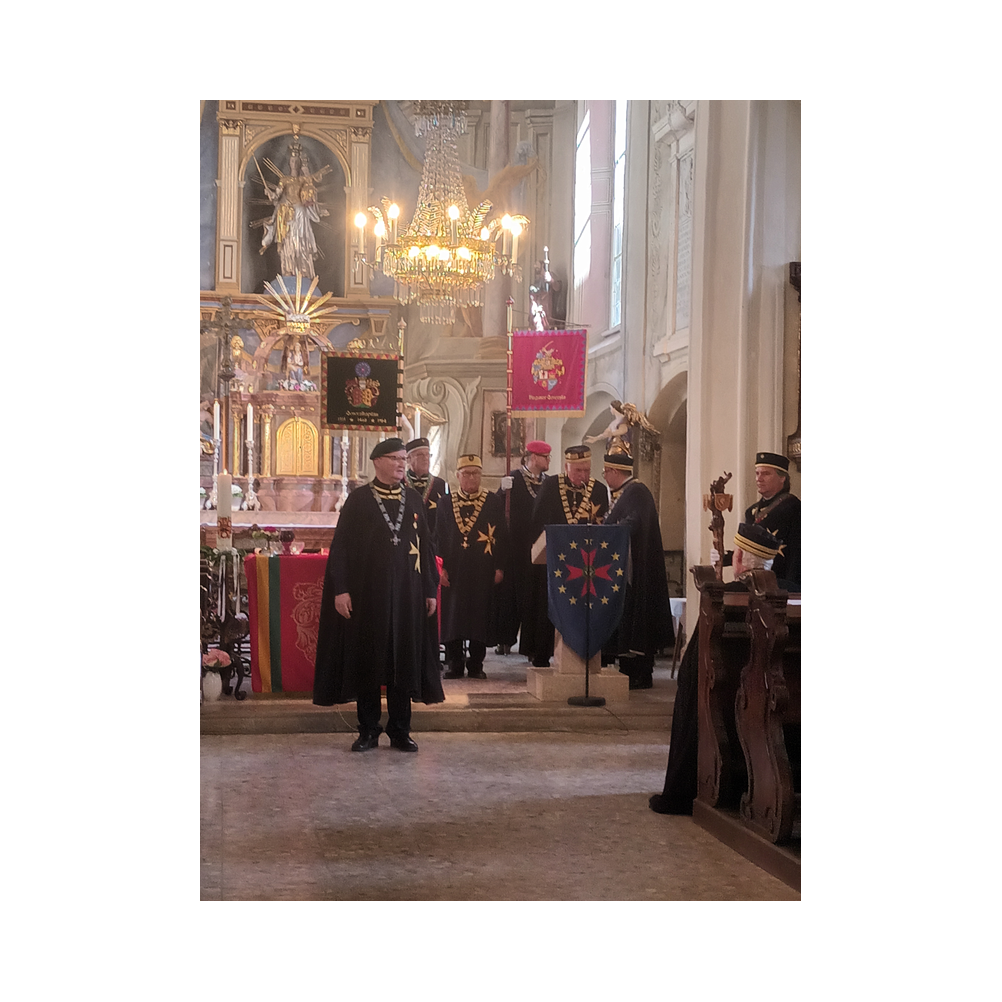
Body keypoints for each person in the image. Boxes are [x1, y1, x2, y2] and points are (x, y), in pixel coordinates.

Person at [649, 520, 795, 815]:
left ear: (738, 558)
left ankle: (694, 787)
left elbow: (694, 675)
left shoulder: (723, 599)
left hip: (733, 699)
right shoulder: (791, 595)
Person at [312, 438, 443, 752]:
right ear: (377, 461)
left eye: (403, 459)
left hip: (408, 596)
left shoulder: (413, 499)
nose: (401, 464)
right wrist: (341, 589)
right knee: (369, 661)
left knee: (403, 662)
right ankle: (368, 730)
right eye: (396, 458)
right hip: (368, 595)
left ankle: (400, 730)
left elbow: (426, 547)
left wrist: (429, 589)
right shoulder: (359, 500)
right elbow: (341, 548)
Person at [527, 445, 609, 668]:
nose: (582, 475)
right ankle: (542, 654)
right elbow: (537, 521)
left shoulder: (598, 490)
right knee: (548, 606)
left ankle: (583, 654)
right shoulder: (551, 486)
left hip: (585, 564)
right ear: (566, 467)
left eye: (586, 470)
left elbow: (603, 527)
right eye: (577, 470)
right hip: (553, 561)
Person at [600, 452, 674, 689]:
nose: (604, 477)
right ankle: (629, 671)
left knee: (637, 621)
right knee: (628, 621)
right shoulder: (628, 492)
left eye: (605, 472)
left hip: (638, 571)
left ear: (614, 471)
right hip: (625, 569)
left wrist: (610, 531)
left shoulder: (637, 491)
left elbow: (633, 523)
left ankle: (639, 674)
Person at [439, 455, 508, 679]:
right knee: (454, 617)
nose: (471, 478)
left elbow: (502, 536)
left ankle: (476, 664)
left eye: (476, 473)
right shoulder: (445, 502)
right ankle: (455, 663)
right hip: (454, 569)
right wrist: (440, 567)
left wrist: (499, 567)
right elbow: (437, 537)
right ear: (457, 476)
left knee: (480, 616)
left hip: (482, 569)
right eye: (466, 473)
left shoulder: (492, 501)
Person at [495, 440, 552, 655]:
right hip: (516, 546)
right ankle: (505, 639)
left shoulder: (548, 482)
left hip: (539, 546)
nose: (548, 461)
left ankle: (533, 644)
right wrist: (502, 491)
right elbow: (497, 508)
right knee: (511, 594)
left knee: (534, 596)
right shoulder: (514, 479)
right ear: (534, 457)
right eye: (545, 457)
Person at [729, 451, 801, 589]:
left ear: (782, 478)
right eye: (757, 473)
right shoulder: (751, 511)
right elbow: (748, 550)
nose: (759, 479)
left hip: (780, 583)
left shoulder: (794, 508)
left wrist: (794, 591)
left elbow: (797, 552)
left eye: (766, 474)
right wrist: (724, 557)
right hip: (752, 580)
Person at [405, 437, 449, 551]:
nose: (425, 458)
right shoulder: (400, 483)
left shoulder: (440, 484)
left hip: (433, 544)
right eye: (420, 455)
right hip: (406, 542)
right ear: (408, 459)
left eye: (428, 455)